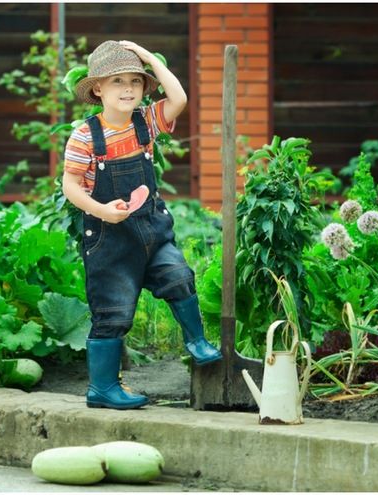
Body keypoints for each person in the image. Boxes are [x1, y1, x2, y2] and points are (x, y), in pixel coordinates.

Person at [62, 40, 221, 410]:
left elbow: (178, 98)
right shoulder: (86, 136)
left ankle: (196, 341)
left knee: (179, 276)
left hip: (151, 228)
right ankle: (102, 387)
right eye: (117, 81)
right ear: (98, 88)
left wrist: (150, 59)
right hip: (109, 238)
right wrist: (101, 209)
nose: (129, 88)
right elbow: (70, 186)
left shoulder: (145, 121)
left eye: (135, 80)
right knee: (113, 311)